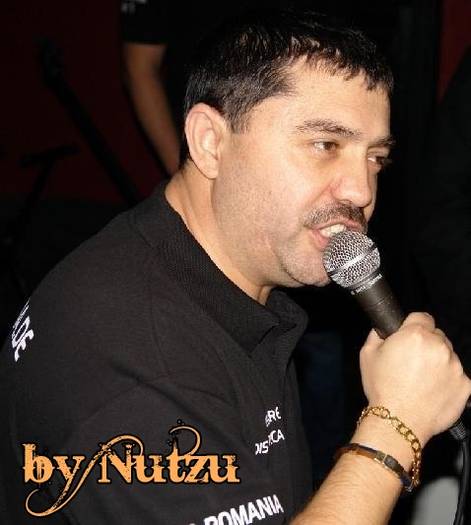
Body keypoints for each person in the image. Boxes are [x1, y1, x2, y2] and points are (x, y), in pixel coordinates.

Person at [1, 9, 470, 524]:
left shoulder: (229, 274)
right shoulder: (135, 362)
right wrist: (393, 425)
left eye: (375, 158)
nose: (361, 191)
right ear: (210, 141)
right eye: (325, 145)